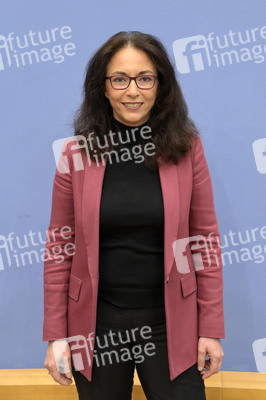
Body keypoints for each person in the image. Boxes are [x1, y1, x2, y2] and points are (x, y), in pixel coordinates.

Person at [43, 31, 225, 400]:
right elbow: (60, 247)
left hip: (170, 322)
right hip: (97, 326)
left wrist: (210, 328)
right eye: (120, 79)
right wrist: (57, 335)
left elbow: (204, 241)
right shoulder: (76, 154)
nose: (133, 91)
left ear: (160, 86)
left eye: (145, 78)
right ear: (103, 87)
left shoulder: (187, 149)